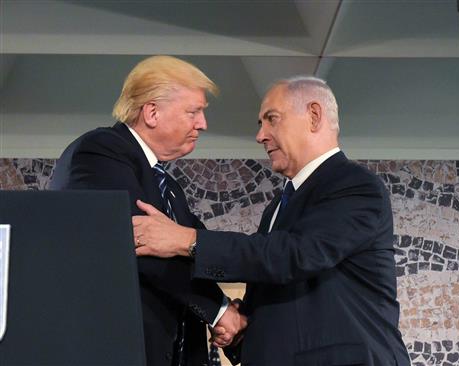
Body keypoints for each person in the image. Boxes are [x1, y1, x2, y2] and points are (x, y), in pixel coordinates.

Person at [133, 76, 410, 365]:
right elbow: (274, 273)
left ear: (314, 116)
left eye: (271, 119)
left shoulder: (355, 185)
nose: (260, 135)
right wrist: (240, 328)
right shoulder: (278, 206)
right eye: (260, 124)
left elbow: (294, 255)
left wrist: (187, 240)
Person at [49, 55, 246, 366]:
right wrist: (220, 311)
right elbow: (142, 246)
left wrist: (265, 266)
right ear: (152, 112)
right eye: (193, 112)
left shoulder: (170, 188)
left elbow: (201, 251)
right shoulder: (99, 152)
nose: (203, 124)